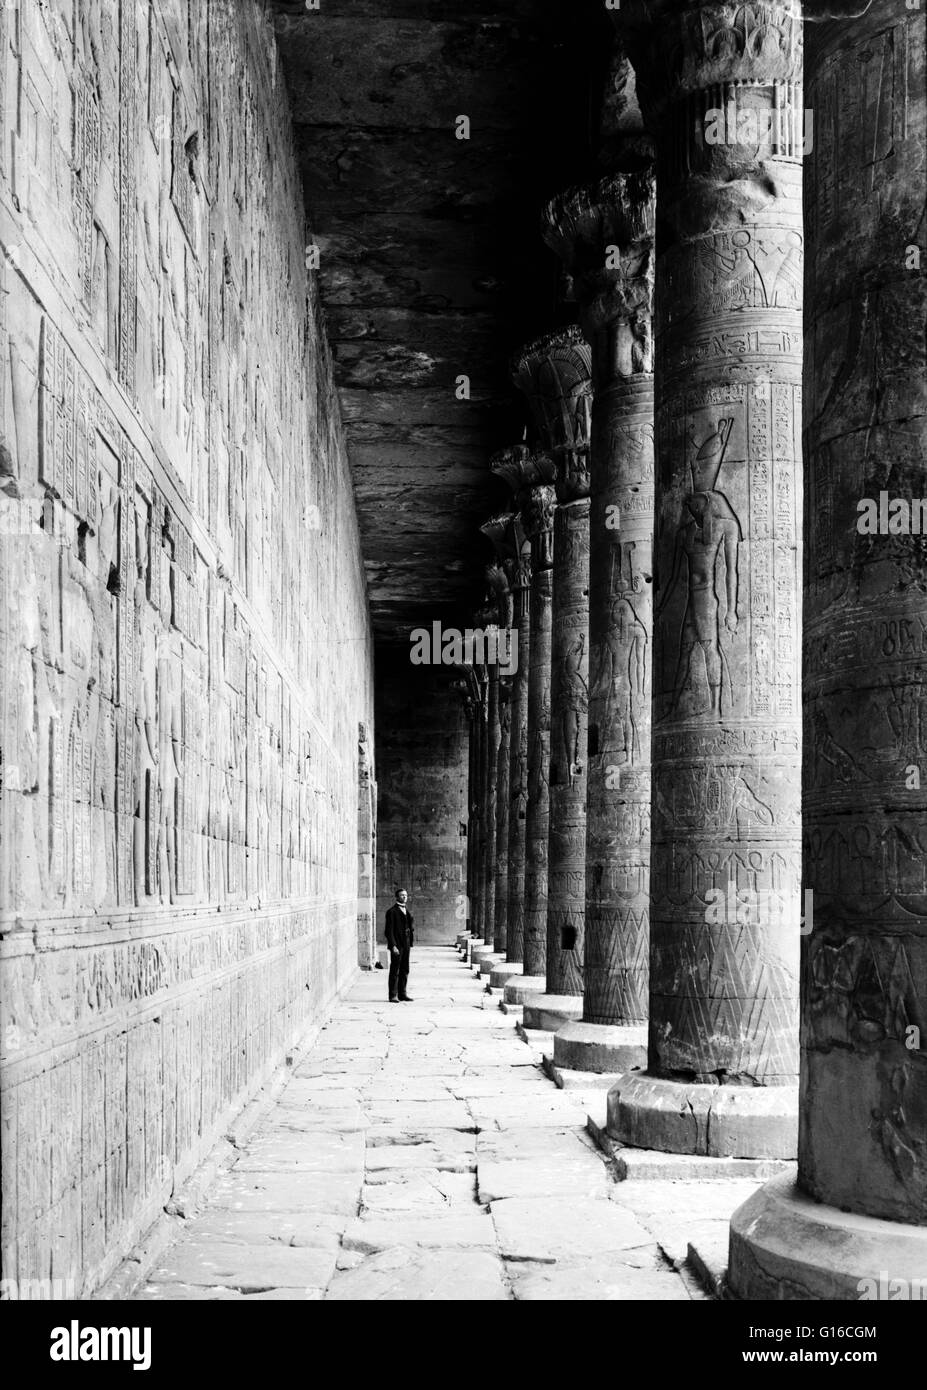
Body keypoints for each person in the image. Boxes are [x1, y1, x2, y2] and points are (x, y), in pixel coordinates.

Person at [385, 888, 414, 1002]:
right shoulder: (391, 912)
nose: (404, 897)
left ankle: (402, 993)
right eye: (402, 895)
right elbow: (389, 931)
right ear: (396, 897)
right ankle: (393, 995)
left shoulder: (406, 909)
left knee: (405, 969)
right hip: (397, 944)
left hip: (406, 944)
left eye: (406, 895)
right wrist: (393, 946)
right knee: (395, 970)